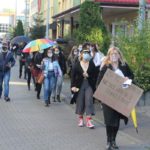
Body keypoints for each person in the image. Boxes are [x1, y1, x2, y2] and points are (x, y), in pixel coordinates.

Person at [96, 46, 134, 150]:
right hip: (107, 98)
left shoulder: (124, 66)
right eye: (112, 54)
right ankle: (108, 141)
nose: (114, 56)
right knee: (109, 121)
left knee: (116, 121)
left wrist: (128, 79)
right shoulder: (106, 67)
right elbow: (98, 83)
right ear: (109, 55)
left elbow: (132, 76)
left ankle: (114, 141)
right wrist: (101, 97)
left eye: (116, 54)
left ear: (119, 55)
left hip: (120, 98)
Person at [71, 45, 97, 129]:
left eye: (88, 53)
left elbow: (95, 75)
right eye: (84, 52)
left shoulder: (92, 63)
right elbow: (73, 76)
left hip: (89, 84)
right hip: (79, 85)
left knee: (89, 100)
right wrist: (72, 86)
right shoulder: (77, 64)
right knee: (80, 101)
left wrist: (88, 75)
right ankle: (81, 119)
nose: (86, 54)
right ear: (81, 54)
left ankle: (89, 120)